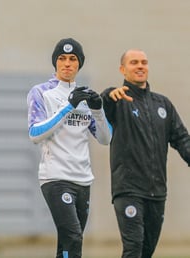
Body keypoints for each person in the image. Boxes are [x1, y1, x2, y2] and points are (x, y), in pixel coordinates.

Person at [100, 49, 190, 257]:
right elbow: (101, 108)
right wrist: (108, 95)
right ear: (123, 69)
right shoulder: (117, 100)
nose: (140, 66)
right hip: (129, 190)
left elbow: (182, 140)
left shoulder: (163, 104)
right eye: (133, 62)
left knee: (147, 252)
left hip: (157, 192)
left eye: (143, 62)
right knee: (134, 248)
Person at [27, 38, 112, 258]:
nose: (67, 63)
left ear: (79, 64)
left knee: (70, 241)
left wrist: (98, 110)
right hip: (55, 178)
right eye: (62, 59)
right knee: (73, 236)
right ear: (55, 63)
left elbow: (105, 138)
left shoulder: (85, 97)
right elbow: (35, 134)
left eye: (73, 59)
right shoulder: (42, 93)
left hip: (83, 179)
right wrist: (68, 106)